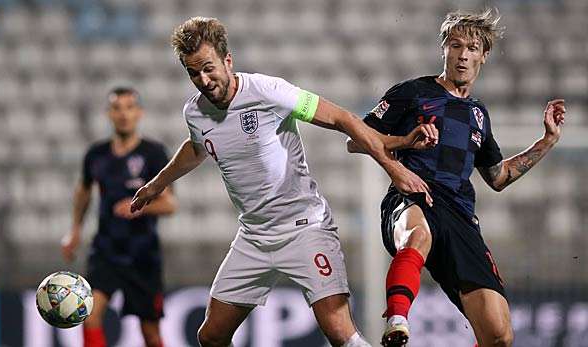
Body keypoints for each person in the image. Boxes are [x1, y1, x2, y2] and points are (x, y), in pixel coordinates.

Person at [130, 17, 438, 347]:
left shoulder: (268, 91)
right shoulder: (195, 113)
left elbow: (342, 119)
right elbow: (196, 147)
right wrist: (156, 184)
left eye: (208, 68)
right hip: (254, 236)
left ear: (227, 60)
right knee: (211, 336)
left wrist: (393, 167)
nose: (203, 80)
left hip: (305, 228)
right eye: (193, 73)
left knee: (341, 336)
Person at [347, 8, 567, 347]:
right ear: (444, 49)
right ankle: (397, 320)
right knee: (417, 233)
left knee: (499, 335)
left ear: (484, 55)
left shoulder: (479, 115)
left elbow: (498, 176)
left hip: (460, 215)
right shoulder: (412, 92)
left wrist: (547, 140)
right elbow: (356, 140)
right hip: (414, 194)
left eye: (472, 48)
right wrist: (403, 143)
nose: (463, 55)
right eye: (455, 45)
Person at [61, 87, 177, 347]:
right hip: (106, 250)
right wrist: (75, 230)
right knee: (89, 315)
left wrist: (140, 206)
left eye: (129, 107)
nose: (123, 114)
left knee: (151, 334)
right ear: (109, 114)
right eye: (117, 108)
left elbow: (170, 204)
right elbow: (84, 190)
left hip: (143, 255)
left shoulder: (153, 154)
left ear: (139, 113)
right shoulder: (96, 155)